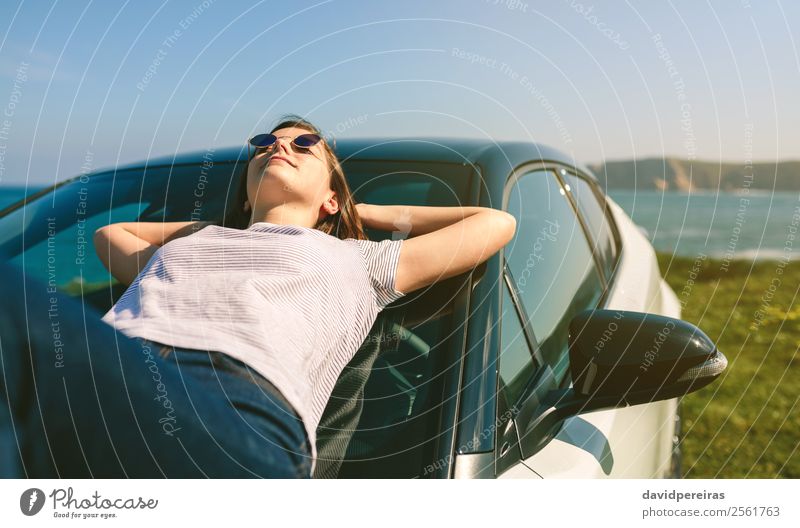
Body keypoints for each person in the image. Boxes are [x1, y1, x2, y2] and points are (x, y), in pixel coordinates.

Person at [0, 114, 516, 478]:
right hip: (108, 373)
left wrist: (364, 213)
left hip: (235, 408)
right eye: (267, 143)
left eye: (304, 144)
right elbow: (110, 235)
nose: (278, 147)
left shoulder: (360, 261)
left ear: (331, 196)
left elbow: (495, 223)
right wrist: (215, 229)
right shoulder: (197, 243)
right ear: (247, 189)